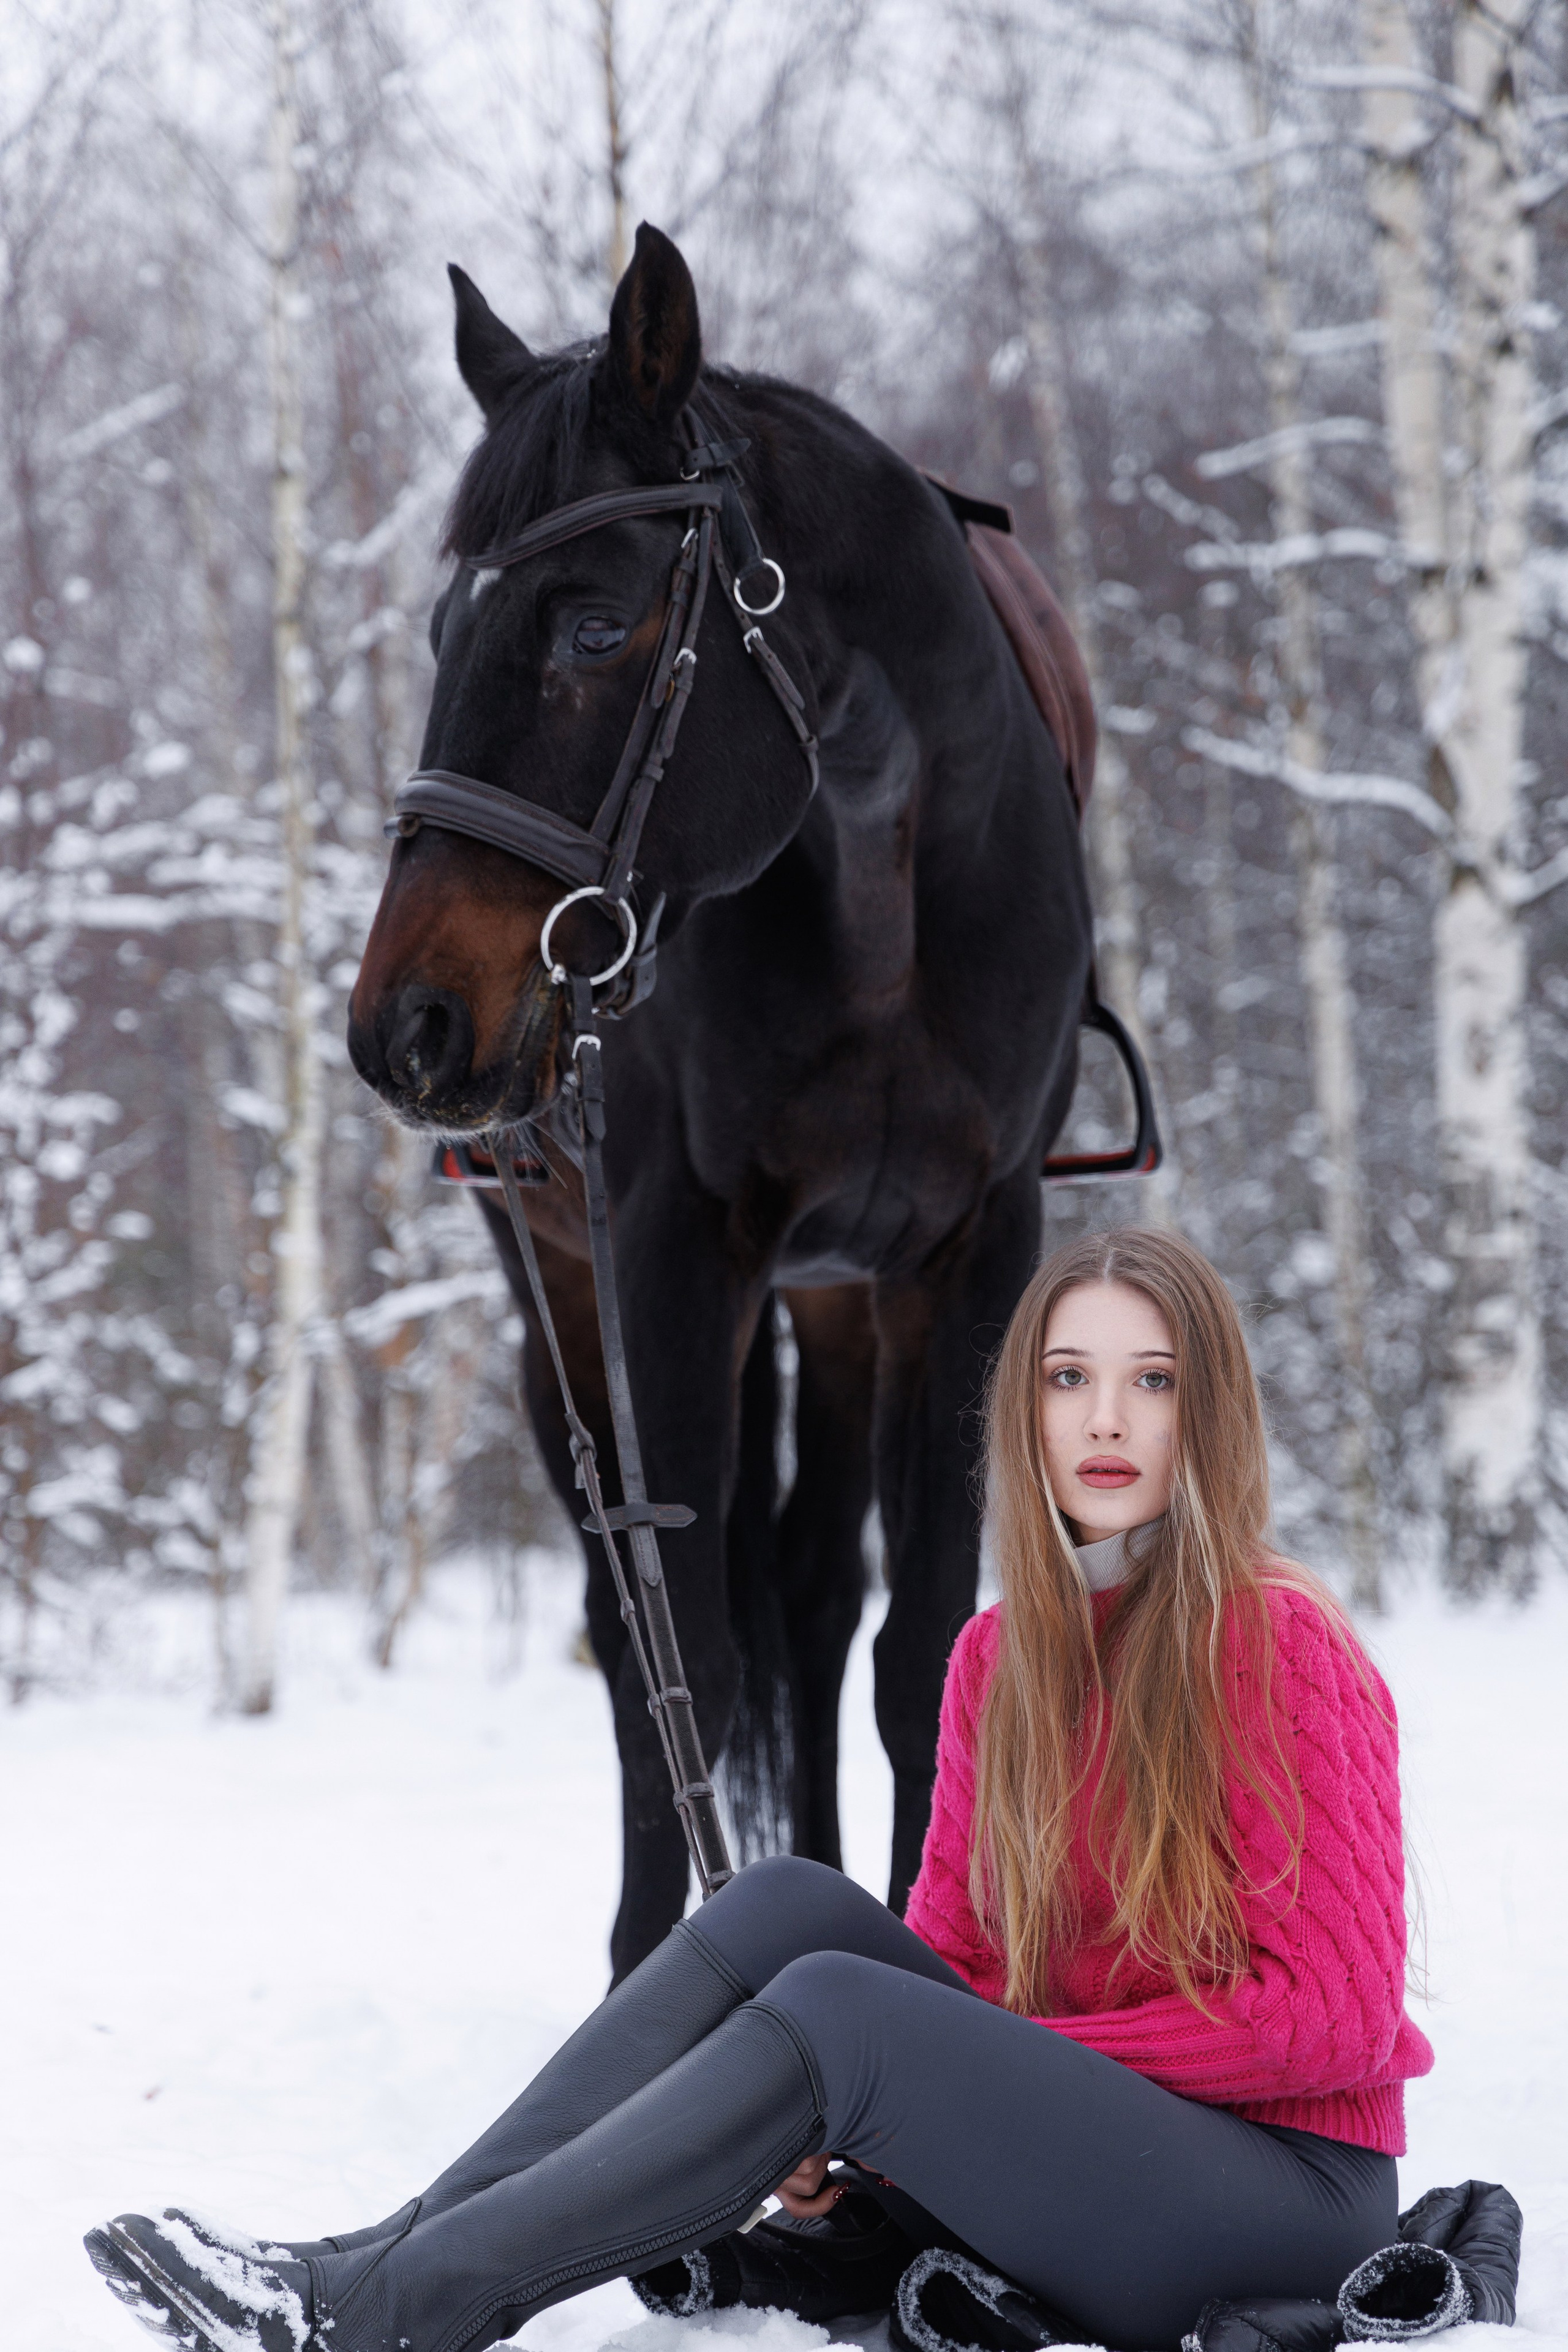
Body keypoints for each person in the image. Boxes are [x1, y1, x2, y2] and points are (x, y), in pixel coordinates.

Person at [87, 1227, 1433, 2352]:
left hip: (1283, 2198)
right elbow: (960, 1962)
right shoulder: (994, 1659)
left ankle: (392, 2319)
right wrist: (914, 2104)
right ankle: (366, 2260)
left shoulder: (1274, 1641)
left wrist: (917, 2089)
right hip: (1103, 2170)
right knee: (788, 1909)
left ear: (1208, 1410)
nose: (1103, 1419)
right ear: (1020, 1405)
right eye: (1067, 1376)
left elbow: (1326, 2021)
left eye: (1150, 1380)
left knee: (846, 2015)